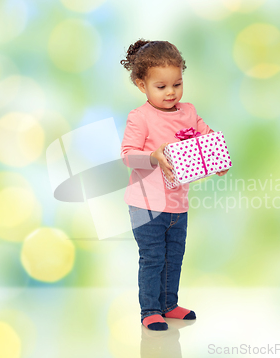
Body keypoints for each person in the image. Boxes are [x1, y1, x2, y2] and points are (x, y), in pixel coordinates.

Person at [120, 39, 229, 331]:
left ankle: (169, 303)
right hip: (145, 204)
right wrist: (153, 156)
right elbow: (128, 156)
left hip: (177, 203)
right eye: (161, 86)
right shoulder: (140, 117)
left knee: (174, 256)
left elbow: (206, 137)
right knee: (153, 257)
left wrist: (218, 159)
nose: (171, 92)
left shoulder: (188, 112)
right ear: (142, 85)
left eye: (177, 84)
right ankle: (150, 310)